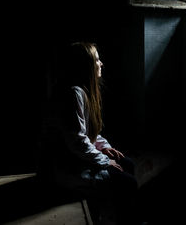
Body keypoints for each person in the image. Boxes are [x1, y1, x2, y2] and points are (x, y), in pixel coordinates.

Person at [39, 41, 139, 225]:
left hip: (78, 157)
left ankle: (124, 217)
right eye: (97, 60)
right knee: (128, 182)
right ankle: (127, 221)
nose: (101, 64)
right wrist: (103, 160)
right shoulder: (72, 94)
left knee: (127, 163)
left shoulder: (83, 91)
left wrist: (105, 148)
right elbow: (77, 141)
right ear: (85, 66)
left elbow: (90, 134)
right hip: (69, 166)